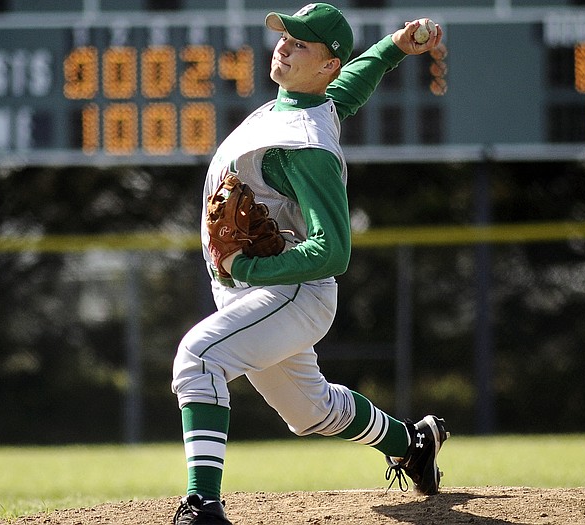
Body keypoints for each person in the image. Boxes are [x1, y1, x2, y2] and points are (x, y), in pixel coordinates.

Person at [171, 4, 447, 524]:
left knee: (199, 359)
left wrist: (246, 269)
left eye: (300, 43)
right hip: (254, 290)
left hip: (292, 292)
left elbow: (333, 251)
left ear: (326, 66)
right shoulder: (302, 104)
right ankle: (412, 442)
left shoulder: (308, 146)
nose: (284, 45)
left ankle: (201, 505)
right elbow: (350, 85)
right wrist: (391, 48)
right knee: (312, 411)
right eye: (286, 36)